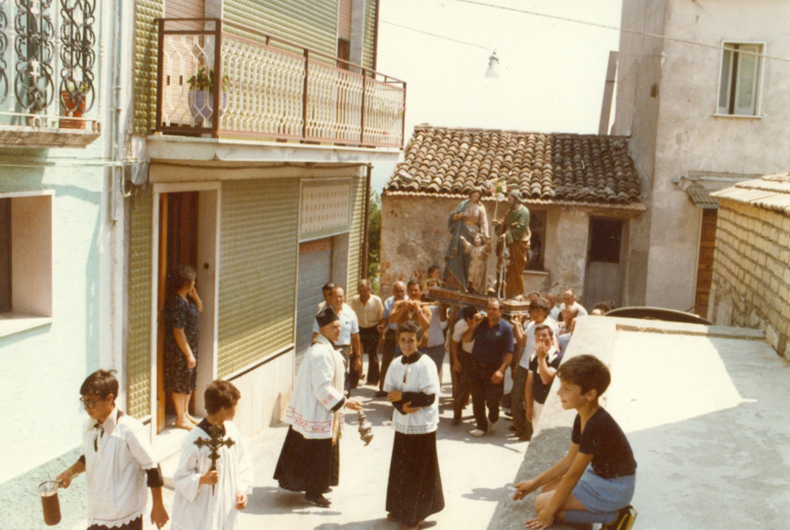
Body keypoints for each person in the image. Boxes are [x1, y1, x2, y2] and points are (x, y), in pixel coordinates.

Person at [513, 355, 637, 529]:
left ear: (590, 394)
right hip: (600, 478)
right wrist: (533, 484)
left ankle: (613, 516)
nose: (558, 393)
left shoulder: (596, 425)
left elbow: (573, 474)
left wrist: (548, 512)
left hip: (614, 489)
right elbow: (569, 460)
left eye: (566, 389)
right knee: (545, 489)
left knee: (542, 504)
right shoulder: (583, 416)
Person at [57, 370, 169, 530]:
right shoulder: (88, 428)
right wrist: (70, 473)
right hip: (98, 512)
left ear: (109, 399)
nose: (87, 408)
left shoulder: (129, 430)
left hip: (125, 516)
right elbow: (89, 457)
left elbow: (152, 466)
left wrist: (158, 506)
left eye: (91, 402)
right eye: (84, 401)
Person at [275, 307, 362, 507]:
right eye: (333, 328)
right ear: (322, 330)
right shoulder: (322, 353)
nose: (338, 331)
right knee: (317, 452)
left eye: (339, 327)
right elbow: (322, 388)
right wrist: (345, 402)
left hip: (318, 409)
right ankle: (314, 492)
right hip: (318, 410)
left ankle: (316, 486)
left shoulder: (325, 348)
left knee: (313, 450)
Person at [384, 321, 444, 530]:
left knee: (419, 471)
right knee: (401, 467)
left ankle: (415, 515)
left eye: (411, 340)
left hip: (422, 425)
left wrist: (404, 397)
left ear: (419, 341)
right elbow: (390, 392)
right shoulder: (395, 363)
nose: (407, 345)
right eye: (403, 340)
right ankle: (398, 508)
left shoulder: (426, 363)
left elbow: (429, 397)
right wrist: (401, 406)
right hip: (403, 423)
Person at [171, 380, 253, 530]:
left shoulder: (232, 433)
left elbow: (243, 464)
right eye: (235, 405)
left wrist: (241, 489)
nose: (236, 409)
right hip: (199, 513)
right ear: (223, 408)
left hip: (226, 507)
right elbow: (180, 478)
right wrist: (202, 479)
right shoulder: (194, 441)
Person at [461, 298, 514, 438]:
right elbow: (465, 339)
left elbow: (509, 353)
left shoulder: (506, 328)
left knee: (492, 400)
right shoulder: (480, 324)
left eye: (494, 308)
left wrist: (501, 371)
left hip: (494, 370)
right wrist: (473, 325)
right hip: (477, 368)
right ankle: (481, 426)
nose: (491, 311)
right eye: (489, 308)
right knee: (477, 399)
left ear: (501, 311)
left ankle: (494, 418)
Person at [514, 298, 558, 441]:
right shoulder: (531, 324)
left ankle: (528, 431)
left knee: (534, 400)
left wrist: (548, 360)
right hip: (525, 364)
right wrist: (517, 325)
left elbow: (555, 345)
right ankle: (521, 426)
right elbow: (522, 342)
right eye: (533, 310)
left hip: (540, 364)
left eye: (539, 310)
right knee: (516, 397)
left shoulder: (550, 325)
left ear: (545, 312)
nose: (535, 313)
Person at [165, 264, 203, 430]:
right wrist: (188, 354)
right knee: (180, 382)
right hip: (180, 350)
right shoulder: (177, 302)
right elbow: (178, 331)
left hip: (191, 347)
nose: (194, 284)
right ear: (188, 283)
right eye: (193, 282)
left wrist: (195, 296)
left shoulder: (187, 299)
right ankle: (180, 417)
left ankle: (186, 414)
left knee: (188, 381)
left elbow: (200, 309)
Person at [313, 286, 361, 392]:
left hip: (344, 349)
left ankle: (342, 398)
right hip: (326, 349)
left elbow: (355, 336)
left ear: (344, 297)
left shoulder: (351, 314)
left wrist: (358, 356)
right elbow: (315, 335)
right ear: (330, 298)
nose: (338, 300)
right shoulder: (323, 315)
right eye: (335, 297)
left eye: (340, 297)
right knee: (327, 375)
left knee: (342, 375)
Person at [445, 188, 489, 292]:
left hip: (474, 235)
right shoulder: (463, 204)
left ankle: (470, 285)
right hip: (462, 231)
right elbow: (452, 217)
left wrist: (485, 234)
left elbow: (484, 222)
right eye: (474, 195)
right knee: (458, 256)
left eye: (478, 196)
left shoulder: (480, 207)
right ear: (470, 195)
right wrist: (462, 214)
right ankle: (457, 283)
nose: (476, 198)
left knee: (471, 259)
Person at [493, 190, 531, 299]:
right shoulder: (509, 211)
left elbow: (521, 229)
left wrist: (507, 235)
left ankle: (517, 293)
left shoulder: (524, 212)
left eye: (509, 199)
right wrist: (498, 224)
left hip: (517, 245)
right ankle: (502, 292)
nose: (508, 201)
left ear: (515, 199)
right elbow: (504, 224)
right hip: (507, 245)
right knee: (504, 266)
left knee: (515, 269)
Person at [526, 325, 563, 429]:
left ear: (551, 339)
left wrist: (541, 358)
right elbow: (529, 382)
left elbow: (546, 379)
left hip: (552, 406)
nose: (541, 338)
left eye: (544, 335)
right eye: (538, 336)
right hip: (537, 403)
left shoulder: (557, 358)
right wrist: (529, 406)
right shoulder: (533, 357)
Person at [349, 279, 385, 385]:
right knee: (356, 354)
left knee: (373, 355)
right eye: (360, 291)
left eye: (364, 291)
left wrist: (381, 333)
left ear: (369, 289)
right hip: (359, 329)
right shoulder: (354, 301)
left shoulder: (376, 301)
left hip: (372, 329)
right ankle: (354, 380)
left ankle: (373, 379)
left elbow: (381, 317)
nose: (362, 294)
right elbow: (352, 317)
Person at [377, 281, 408, 397]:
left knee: (401, 362)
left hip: (404, 333)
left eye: (402, 291)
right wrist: (382, 326)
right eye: (397, 291)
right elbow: (385, 317)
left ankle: (399, 390)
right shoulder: (389, 301)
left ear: (405, 291)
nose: (399, 293)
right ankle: (383, 388)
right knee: (386, 360)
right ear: (393, 291)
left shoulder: (409, 302)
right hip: (391, 332)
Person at [450, 305, 477, 425]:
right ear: (467, 319)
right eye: (472, 319)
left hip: (479, 356)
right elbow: (454, 343)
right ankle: (457, 415)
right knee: (461, 386)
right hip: (466, 356)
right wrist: (456, 360)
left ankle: (478, 415)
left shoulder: (482, 322)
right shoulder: (460, 325)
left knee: (478, 388)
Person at [424, 302, 449, 377]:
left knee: (433, 376)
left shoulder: (436, 310)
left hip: (436, 349)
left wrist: (443, 309)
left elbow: (443, 325)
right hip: (421, 348)